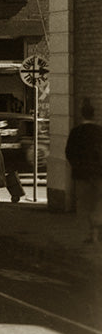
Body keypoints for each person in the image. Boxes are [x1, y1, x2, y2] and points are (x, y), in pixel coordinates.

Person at [65, 99, 102, 244]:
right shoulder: (100, 132)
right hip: (99, 174)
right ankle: (96, 232)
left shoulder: (76, 132)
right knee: (99, 201)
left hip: (81, 175)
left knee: (86, 204)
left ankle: (91, 234)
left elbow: (69, 152)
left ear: (82, 115)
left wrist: (77, 166)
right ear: (94, 115)